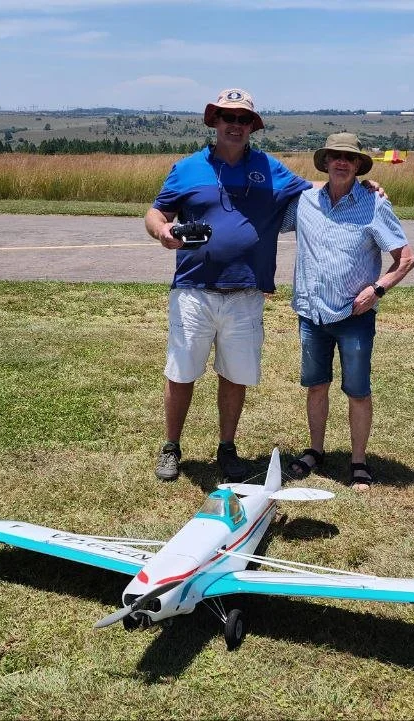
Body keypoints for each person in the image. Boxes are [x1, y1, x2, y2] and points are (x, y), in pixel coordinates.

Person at [144, 88, 312, 482]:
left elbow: (318, 197)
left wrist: (362, 187)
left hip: (246, 292)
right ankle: (171, 447)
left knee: (235, 374)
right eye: (227, 117)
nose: (235, 125)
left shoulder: (271, 169)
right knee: (181, 371)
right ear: (214, 122)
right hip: (193, 289)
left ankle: (227, 449)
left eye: (243, 119)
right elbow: (156, 212)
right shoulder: (186, 168)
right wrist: (163, 231)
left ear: (252, 126)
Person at [281, 133, 414, 490]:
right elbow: (271, 219)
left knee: (357, 390)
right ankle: (315, 450)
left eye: (349, 158)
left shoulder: (374, 204)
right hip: (311, 313)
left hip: (354, 316)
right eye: (335, 156)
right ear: (325, 162)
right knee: (316, 385)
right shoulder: (305, 202)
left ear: (357, 165)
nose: (341, 162)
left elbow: (406, 259)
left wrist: (377, 289)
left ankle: (358, 461)